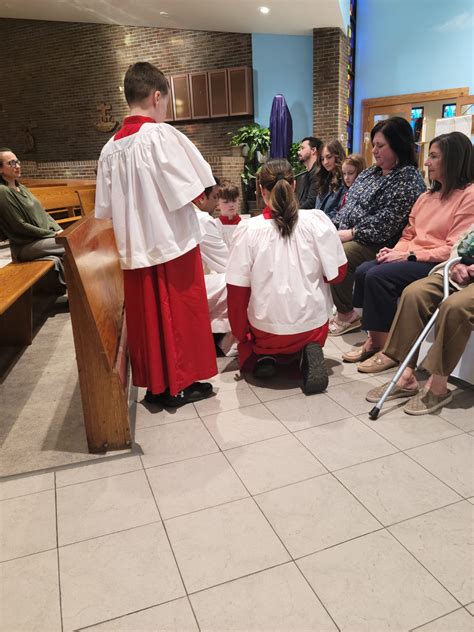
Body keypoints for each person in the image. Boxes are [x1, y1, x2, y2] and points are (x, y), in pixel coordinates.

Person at [95, 62, 217, 408]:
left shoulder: (108, 149)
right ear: (157, 96)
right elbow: (194, 190)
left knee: (147, 319)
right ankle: (179, 385)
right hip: (170, 243)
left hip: (133, 250)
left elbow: (104, 209)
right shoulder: (160, 136)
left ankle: (157, 387)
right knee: (179, 314)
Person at [343, 131, 474, 369]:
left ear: (453, 159)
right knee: (363, 271)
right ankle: (375, 339)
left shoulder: (468, 196)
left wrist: (407, 255)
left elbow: (452, 248)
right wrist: (393, 253)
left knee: (377, 276)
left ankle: (386, 348)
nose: (426, 162)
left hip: (433, 261)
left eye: (433, 157)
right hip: (411, 255)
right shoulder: (426, 197)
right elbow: (408, 234)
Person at [226, 159, 347, 394]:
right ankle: (307, 350)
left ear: (261, 190)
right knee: (310, 316)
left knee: (255, 343)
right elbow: (338, 275)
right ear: (293, 185)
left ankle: (266, 356)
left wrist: (242, 334)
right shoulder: (316, 221)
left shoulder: (248, 230)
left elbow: (237, 292)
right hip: (313, 325)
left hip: (266, 330)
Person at [329, 116, 426, 335]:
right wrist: (331, 226)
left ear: (398, 145)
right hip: (351, 231)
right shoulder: (369, 173)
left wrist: (351, 233)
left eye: (380, 146)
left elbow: (386, 222)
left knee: (339, 254)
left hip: (379, 241)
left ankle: (347, 314)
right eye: (373, 145)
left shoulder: (408, 180)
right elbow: (349, 204)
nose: (374, 151)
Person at [366, 226, 474, 415]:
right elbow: (462, 241)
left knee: (454, 306)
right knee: (414, 293)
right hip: (461, 273)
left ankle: (438, 386)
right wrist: (457, 264)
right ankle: (405, 376)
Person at [0, 148, 66, 291]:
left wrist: (59, 230)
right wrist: (52, 234)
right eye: (11, 163)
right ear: (1, 169)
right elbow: (19, 225)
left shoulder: (21, 188)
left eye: (17, 161)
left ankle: (77, 290)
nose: (17, 166)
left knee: (72, 242)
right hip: (25, 246)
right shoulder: (2, 191)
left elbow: (44, 213)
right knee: (70, 245)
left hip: (41, 240)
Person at [193, 180, 236, 354]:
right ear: (201, 198)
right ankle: (222, 343)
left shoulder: (184, 214)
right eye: (215, 197)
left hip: (181, 284)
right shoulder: (201, 220)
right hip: (191, 288)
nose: (217, 203)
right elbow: (227, 264)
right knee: (239, 283)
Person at [314, 139, 347, 221]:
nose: (325, 162)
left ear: (338, 156)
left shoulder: (345, 180)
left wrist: (319, 220)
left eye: (329, 157)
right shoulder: (324, 179)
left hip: (331, 225)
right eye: (322, 159)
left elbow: (340, 212)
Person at [296, 136, 323, 209]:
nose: (298, 152)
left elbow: (311, 202)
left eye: (302, 148)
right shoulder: (304, 175)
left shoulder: (318, 172)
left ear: (313, 150)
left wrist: (293, 212)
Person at [216, 180, 242, 248]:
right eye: (226, 202)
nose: (231, 205)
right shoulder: (214, 226)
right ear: (218, 203)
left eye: (234, 201)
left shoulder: (246, 225)